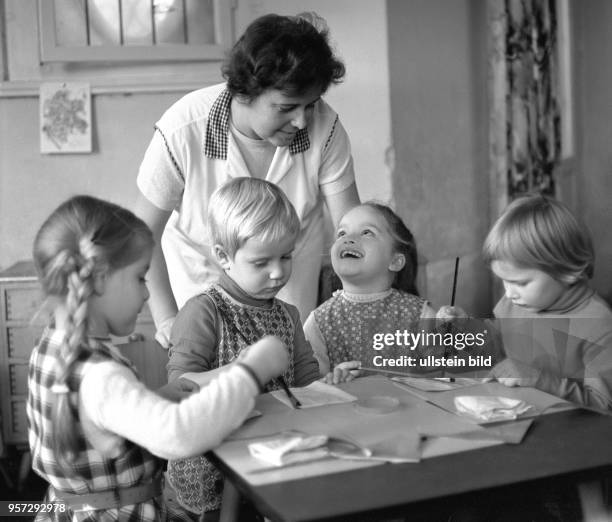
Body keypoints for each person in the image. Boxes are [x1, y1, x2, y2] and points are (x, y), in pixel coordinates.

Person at [26, 195, 289, 521]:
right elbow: (178, 435)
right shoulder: (100, 375)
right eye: (140, 277)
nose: (148, 293)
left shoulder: (51, 346)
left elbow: (98, 421)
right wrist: (252, 370)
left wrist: (150, 399)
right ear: (99, 278)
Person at [135, 12, 360, 348]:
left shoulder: (324, 128)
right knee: (217, 388)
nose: (301, 121)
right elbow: (142, 235)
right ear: (245, 91)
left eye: (310, 105)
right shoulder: (182, 130)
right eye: (286, 107)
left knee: (290, 385)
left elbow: (352, 229)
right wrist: (168, 319)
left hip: (289, 294)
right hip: (203, 293)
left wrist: (365, 303)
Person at [165, 178, 320, 519]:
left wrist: (330, 386)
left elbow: (307, 381)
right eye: (261, 262)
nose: (278, 272)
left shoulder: (287, 314)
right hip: (209, 477)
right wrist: (242, 370)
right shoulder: (202, 312)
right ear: (224, 257)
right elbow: (180, 386)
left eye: (286, 256)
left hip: (269, 461)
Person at [481, 194, 612, 410]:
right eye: (504, 281)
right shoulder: (514, 303)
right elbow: (498, 345)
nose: (509, 293)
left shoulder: (599, 325)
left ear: (565, 270)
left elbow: (605, 406)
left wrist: (538, 379)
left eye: (520, 283)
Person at [303, 202, 449, 384]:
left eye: (367, 232)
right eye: (342, 233)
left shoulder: (421, 315)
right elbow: (308, 390)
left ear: (395, 261)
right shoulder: (319, 322)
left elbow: (446, 374)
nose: (348, 239)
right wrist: (331, 379)